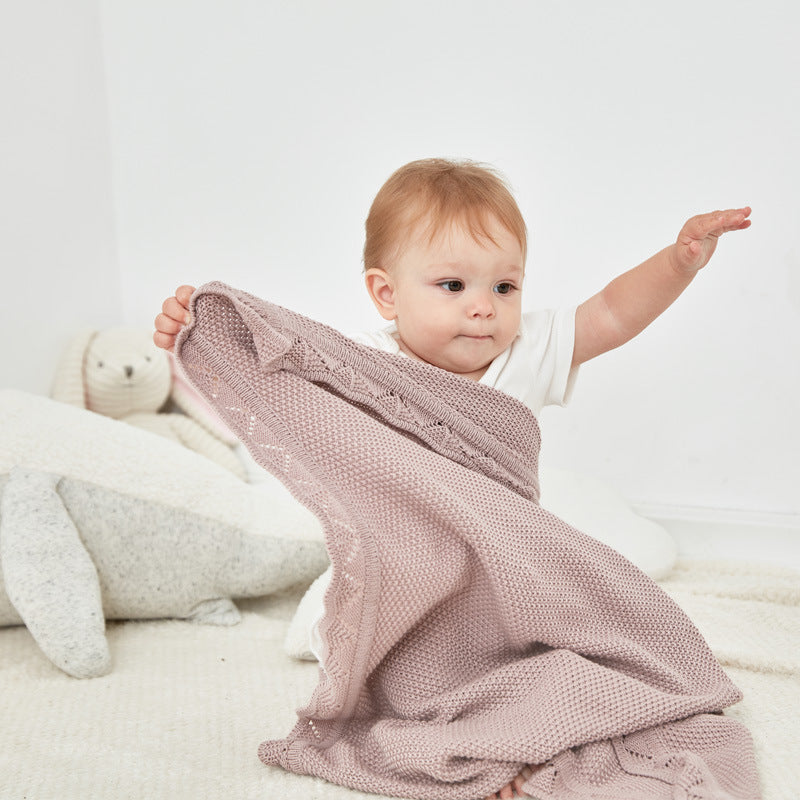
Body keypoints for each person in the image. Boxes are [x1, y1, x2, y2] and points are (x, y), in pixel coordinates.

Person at [154, 158, 751, 800]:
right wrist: (202, 335)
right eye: (452, 285)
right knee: (376, 659)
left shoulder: (526, 353)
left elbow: (610, 313)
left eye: (504, 288)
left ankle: (520, 740)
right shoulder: (364, 368)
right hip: (410, 570)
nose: (483, 310)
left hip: (509, 577)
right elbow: (283, 389)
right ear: (387, 294)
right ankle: (438, 719)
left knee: (558, 663)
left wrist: (677, 262)